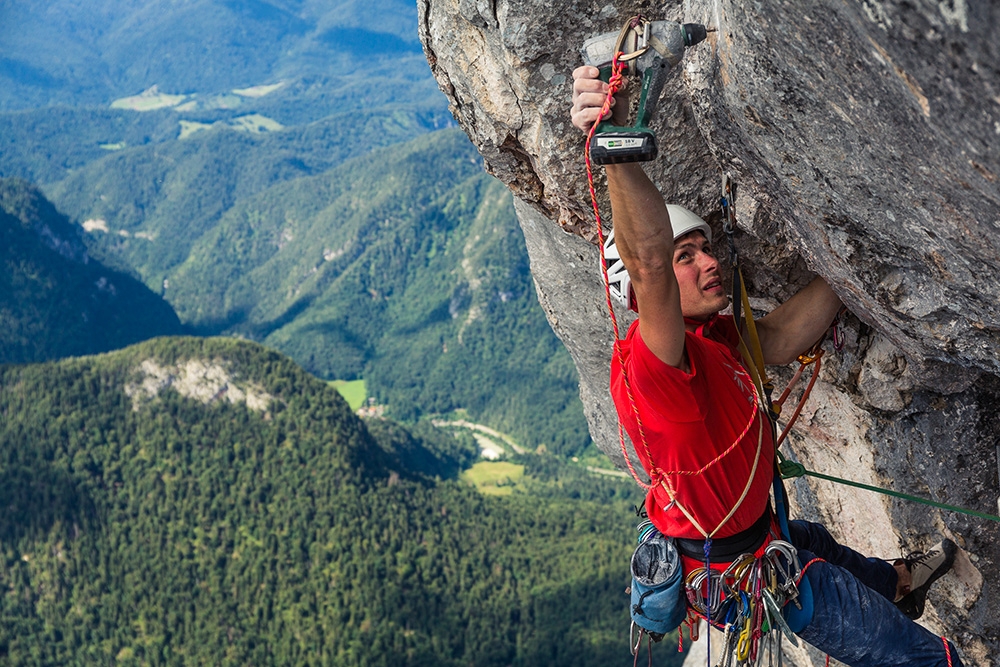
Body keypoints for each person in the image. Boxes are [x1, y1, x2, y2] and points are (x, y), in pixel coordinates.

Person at [570, 64, 962, 667]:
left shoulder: (714, 339)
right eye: (686, 255)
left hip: (764, 531)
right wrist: (617, 150)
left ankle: (899, 585)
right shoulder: (650, 372)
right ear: (642, 291)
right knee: (910, 656)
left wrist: (846, 259)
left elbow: (779, 336)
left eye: (705, 247)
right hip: (747, 570)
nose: (708, 262)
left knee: (819, 544)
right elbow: (647, 265)